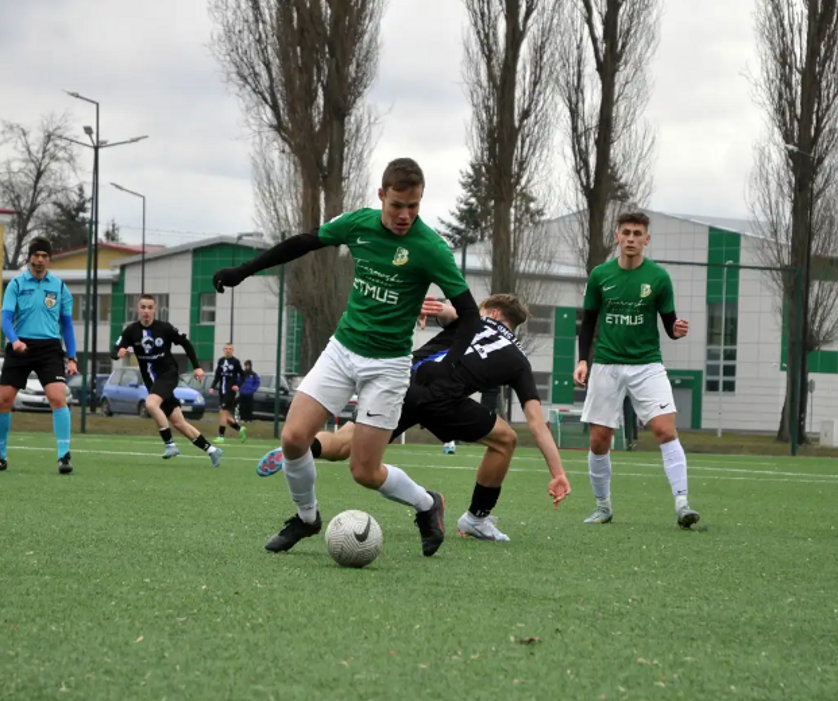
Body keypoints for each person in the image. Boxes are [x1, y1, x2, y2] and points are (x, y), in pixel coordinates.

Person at [213, 157, 481, 557]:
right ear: (381, 196)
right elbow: (304, 241)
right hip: (342, 350)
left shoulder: (431, 249)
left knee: (364, 472)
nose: (405, 215)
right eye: (397, 206)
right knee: (292, 438)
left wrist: (450, 365)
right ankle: (306, 518)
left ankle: (428, 504)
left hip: (388, 366)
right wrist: (245, 270)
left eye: (414, 206)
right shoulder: (359, 224)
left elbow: (471, 316)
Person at [257, 294, 572, 541]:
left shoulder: (471, 319)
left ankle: (302, 450)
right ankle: (476, 519)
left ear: (491, 311)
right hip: (443, 401)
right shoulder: (519, 360)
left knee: (342, 445)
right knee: (506, 440)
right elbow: (535, 423)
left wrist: (430, 310)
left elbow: (445, 311)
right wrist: (557, 472)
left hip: (400, 383)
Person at [574, 211, 698, 528]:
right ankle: (603, 507)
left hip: (647, 365)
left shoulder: (658, 278)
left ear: (646, 239)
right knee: (600, 440)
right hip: (606, 365)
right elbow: (588, 321)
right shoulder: (600, 275)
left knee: (665, 430)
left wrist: (677, 328)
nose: (631, 238)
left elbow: (670, 324)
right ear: (617, 237)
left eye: (637, 233)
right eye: (626, 232)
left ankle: (683, 504)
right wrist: (583, 359)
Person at [0, 237, 78, 474]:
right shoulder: (16, 284)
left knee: (58, 398)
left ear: (49, 259)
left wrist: (73, 357)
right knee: (4, 400)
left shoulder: (59, 287)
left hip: (49, 349)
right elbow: (5, 318)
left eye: (45, 256)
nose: (40, 260)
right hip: (20, 346)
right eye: (37, 255)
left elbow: (67, 325)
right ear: (29, 258)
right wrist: (14, 341)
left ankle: (64, 456)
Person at [112, 295, 223, 467]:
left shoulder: (164, 328)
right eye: (143, 307)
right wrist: (118, 352)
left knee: (150, 404)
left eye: (150, 307)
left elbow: (186, 343)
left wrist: (197, 366)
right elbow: (116, 348)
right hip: (152, 381)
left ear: (155, 309)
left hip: (168, 374)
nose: (147, 311)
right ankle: (212, 450)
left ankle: (170, 444)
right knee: (179, 422)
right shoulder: (131, 331)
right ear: (138, 309)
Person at [210, 344, 245, 443]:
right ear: (223, 350)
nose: (228, 350)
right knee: (224, 415)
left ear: (232, 350)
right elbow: (217, 375)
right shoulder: (221, 361)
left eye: (230, 349)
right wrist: (212, 386)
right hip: (222, 391)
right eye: (226, 349)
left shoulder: (236, 362)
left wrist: (238, 385)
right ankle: (240, 429)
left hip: (230, 391)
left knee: (223, 413)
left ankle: (221, 436)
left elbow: (242, 376)